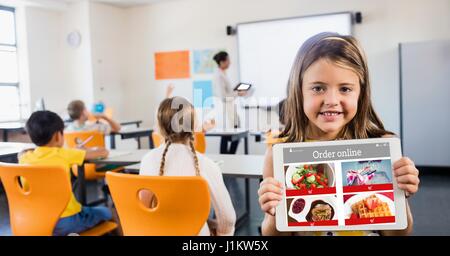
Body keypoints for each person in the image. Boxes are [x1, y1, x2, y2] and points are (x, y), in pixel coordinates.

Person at [257, 32, 420, 236]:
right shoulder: (278, 154)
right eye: (318, 88)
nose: (332, 100)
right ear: (299, 92)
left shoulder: (381, 146)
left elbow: (398, 233)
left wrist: (400, 196)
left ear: (361, 93)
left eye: (345, 88)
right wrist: (273, 211)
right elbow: (273, 234)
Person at [139, 97, 236, 236]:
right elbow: (228, 219)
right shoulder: (207, 165)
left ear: (160, 127)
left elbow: (144, 207)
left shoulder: (147, 160)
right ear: (194, 125)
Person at [19, 110, 114, 236]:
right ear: (58, 135)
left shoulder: (24, 158)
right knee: (108, 212)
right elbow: (103, 152)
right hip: (66, 221)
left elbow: (25, 154)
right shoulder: (65, 154)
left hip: (36, 221)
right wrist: (83, 150)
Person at [212, 51, 247, 154]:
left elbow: (227, 93)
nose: (230, 62)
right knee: (228, 135)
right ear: (222, 62)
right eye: (228, 60)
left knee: (233, 134)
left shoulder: (223, 74)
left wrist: (235, 92)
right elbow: (223, 96)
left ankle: (230, 157)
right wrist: (237, 94)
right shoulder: (219, 75)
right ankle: (227, 159)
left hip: (229, 108)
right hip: (225, 110)